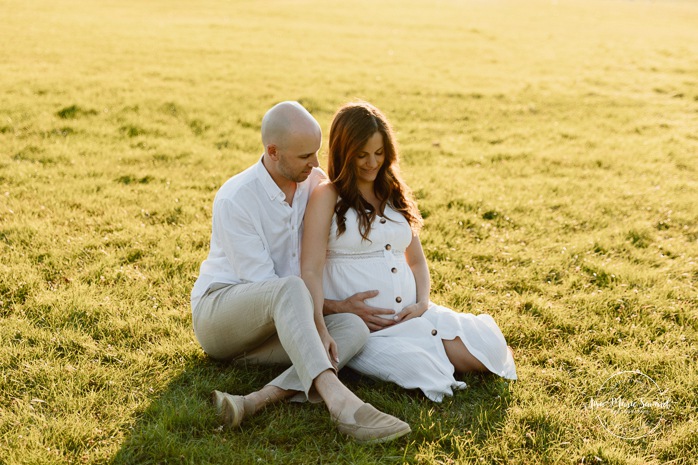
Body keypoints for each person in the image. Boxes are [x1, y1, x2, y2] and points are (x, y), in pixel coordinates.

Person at [191, 101, 411, 443]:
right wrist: (333, 307)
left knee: (353, 328)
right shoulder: (235, 199)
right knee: (292, 290)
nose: (317, 163)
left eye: (317, 152)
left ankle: (253, 401)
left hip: (274, 328)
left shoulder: (314, 183)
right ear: (273, 151)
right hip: (222, 316)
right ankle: (340, 403)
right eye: (305, 156)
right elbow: (270, 287)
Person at [301, 102, 517, 402]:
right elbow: (310, 269)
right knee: (420, 368)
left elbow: (415, 260)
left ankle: (449, 345)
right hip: (369, 330)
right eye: (361, 155)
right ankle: (437, 353)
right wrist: (328, 319)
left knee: (489, 350)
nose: (371, 163)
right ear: (344, 153)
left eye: (379, 154)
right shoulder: (327, 196)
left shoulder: (392, 190)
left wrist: (423, 303)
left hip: (413, 313)